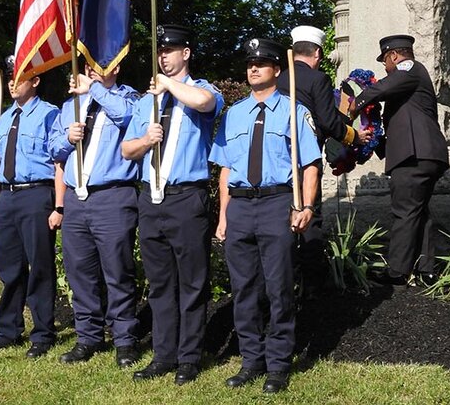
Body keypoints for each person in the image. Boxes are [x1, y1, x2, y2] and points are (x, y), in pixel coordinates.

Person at [209, 38, 321, 394]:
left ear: (276, 69)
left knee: (278, 288)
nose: (253, 68)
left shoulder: (294, 112)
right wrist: (223, 216)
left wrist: (305, 206)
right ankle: (250, 361)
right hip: (240, 205)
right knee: (243, 289)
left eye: (261, 63)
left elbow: (311, 166)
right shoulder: (234, 114)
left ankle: (278, 365)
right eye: (249, 64)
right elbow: (225, 169)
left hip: (277, 204)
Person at [121, 25, 224, 385]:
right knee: (160, 282)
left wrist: (168, 86)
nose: (163, 56)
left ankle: (190, 357)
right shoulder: (146, 102)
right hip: (150, 197)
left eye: (171, 50)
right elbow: (126, 149)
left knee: (192, 282)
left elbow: (203, 103)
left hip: (185, 198)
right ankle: (164, 355)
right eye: (160, 51)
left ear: (186, 53)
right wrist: (145, 142)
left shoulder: (201, 89)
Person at [50, 61, 141, 369]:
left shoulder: (128, 98)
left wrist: (96, 90)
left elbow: (127, 118)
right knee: (80, 271)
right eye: (86, 64)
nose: (89, 69)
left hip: (112, 195)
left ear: (115, 68)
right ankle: (88, 336)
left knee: (118, 270)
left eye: (97, 65)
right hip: (77, 198)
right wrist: (67, 139)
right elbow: (53, 149)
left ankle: (125, 339)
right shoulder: (71, 105)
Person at [276, 25, 370, 298]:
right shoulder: (317, 80)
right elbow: (328, 122)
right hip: (305, 161)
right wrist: (354, 136)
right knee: (310, 217)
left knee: (282, 218)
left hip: (278, 162)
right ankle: (313, 285)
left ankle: (285, 278)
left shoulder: (278, 78)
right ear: (317, 53)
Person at [0, 71, 62, 359]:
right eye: (11, 78)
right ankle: (8, 330)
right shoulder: (5, 117)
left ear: (35, 81)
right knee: (8, 266)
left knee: (39, 264)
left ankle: (43, 332)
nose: (13, 84)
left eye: (20, 78)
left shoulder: (50, 114)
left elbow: (60, 160)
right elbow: (1, 158)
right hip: (8, 195)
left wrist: (58, 205)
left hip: (36, 193)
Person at [350, 34, 450, 285]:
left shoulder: (410, 68)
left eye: (385, 61)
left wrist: (355, 104)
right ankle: (426, 270)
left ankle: (397, 271)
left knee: (404, 211)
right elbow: (401, 123)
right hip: (424, 153)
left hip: (415, 155)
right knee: (418, 211)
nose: (385, 67)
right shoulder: (408, 86)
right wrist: (376, 144)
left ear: (393, 55)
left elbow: (382, 87)